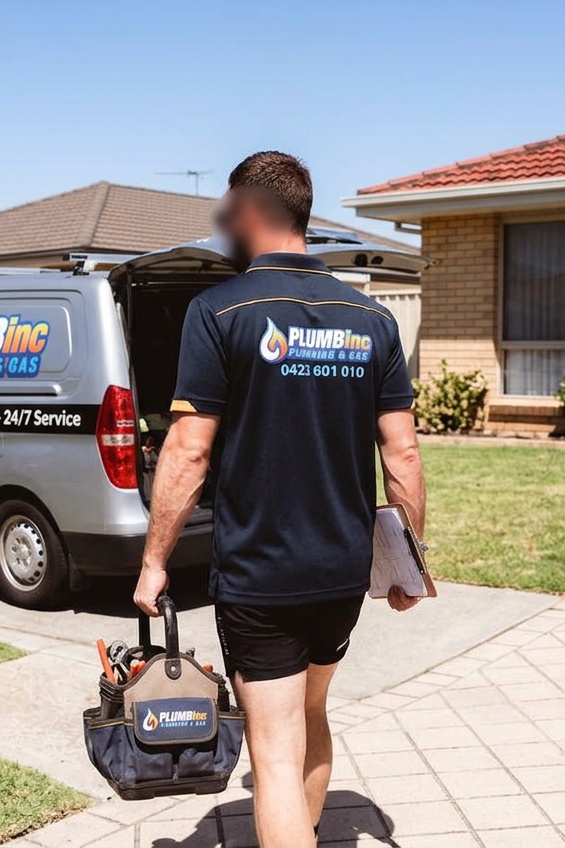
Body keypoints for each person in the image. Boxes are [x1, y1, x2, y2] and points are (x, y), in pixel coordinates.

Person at [134, 151, 427, 848]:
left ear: (254, 211)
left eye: (229, 211)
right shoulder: (370, 318)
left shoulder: (218, 311)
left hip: (261, 573)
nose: (223, 224)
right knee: (312, 713)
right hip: (340, 569)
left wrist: (154, 562)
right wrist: (406, 562)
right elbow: (404, 454)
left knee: (273, 749)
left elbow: (187, 450)